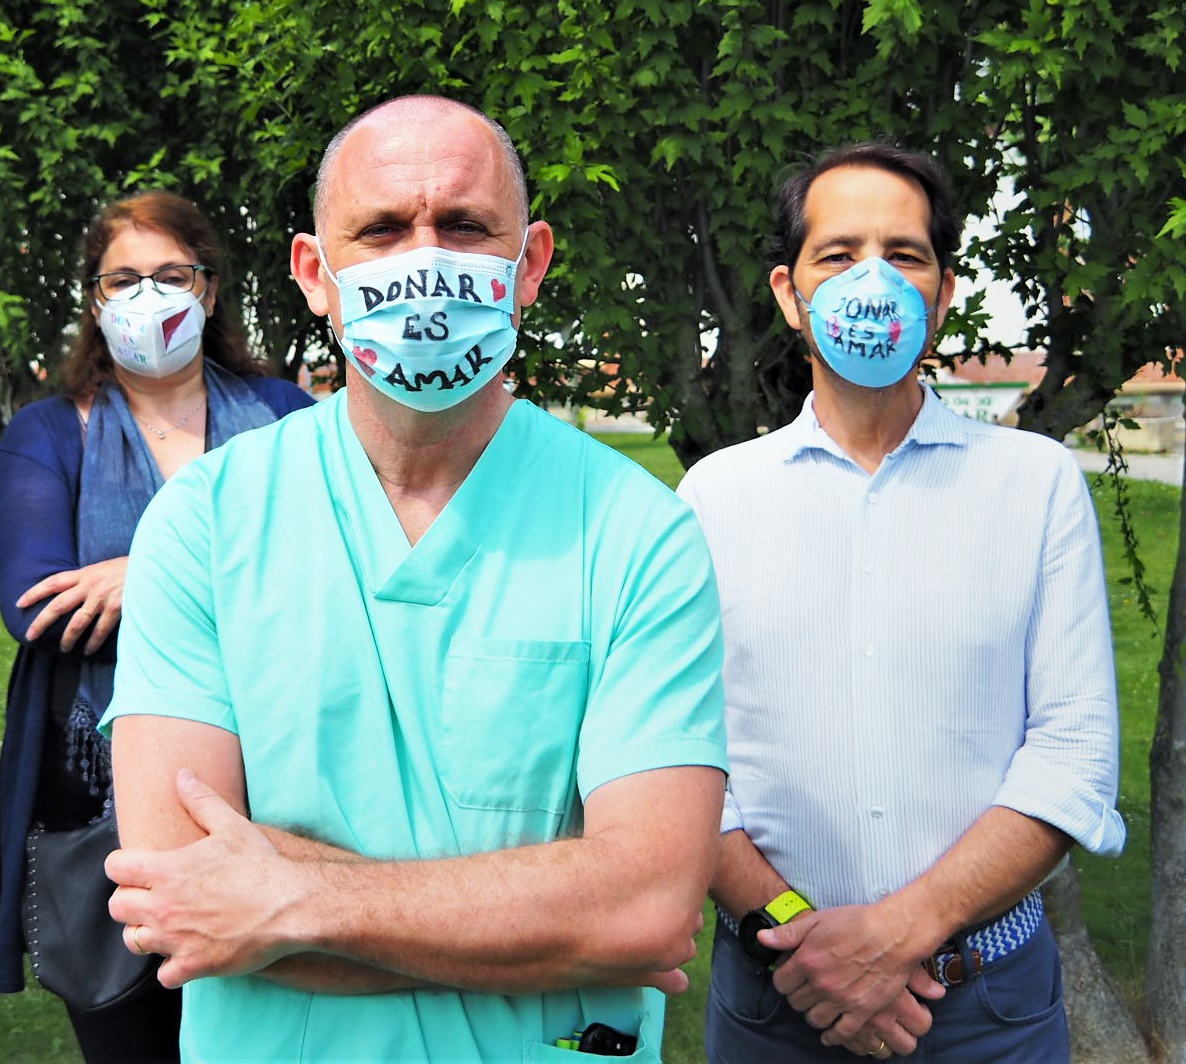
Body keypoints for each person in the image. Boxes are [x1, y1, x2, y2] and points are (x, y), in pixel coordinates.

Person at [99, 96, 730, 1062]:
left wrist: (287, 896)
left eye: (466, 226)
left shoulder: (636, 532)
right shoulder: (205, 522)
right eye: (383, 228)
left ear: (529, 266)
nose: (424, 259)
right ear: (316, 272)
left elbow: (644, 904)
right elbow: (179, 889)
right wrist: (549, 914)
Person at [678, 142, 1124, 1062]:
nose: (871, 279)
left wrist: (900, 932)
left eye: (904, 253)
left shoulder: (1034, 484)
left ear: (942, 292)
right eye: (837, 254)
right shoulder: (713, 497)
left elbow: (1074, 755)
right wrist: (809, 936)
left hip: (988, 1011)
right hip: (776, 997)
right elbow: (683, 756)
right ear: (787, 291)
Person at [0, 191, 315, 1061]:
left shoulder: (284, 414)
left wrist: (144, 574)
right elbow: (40, 607)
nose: (146, 295)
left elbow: (332, 571)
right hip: (100, 800)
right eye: (122, 279)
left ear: (207, 290)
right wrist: (236, 572)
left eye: (170, 275)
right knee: (129, 1032)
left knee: (285, 1017)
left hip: (284, 769)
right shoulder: (48, 432)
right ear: (93, 300)